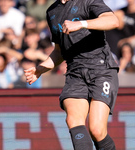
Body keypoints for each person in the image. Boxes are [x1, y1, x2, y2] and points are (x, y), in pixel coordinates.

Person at [24, 0, 119, 149]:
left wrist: (82, 24)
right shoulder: (52, 12)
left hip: (101, 69)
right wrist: (41, 69)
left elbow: (113, 21)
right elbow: (59, 51)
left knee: (97, 130)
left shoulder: (88, 1)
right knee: (73, 121)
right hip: (75, 73)